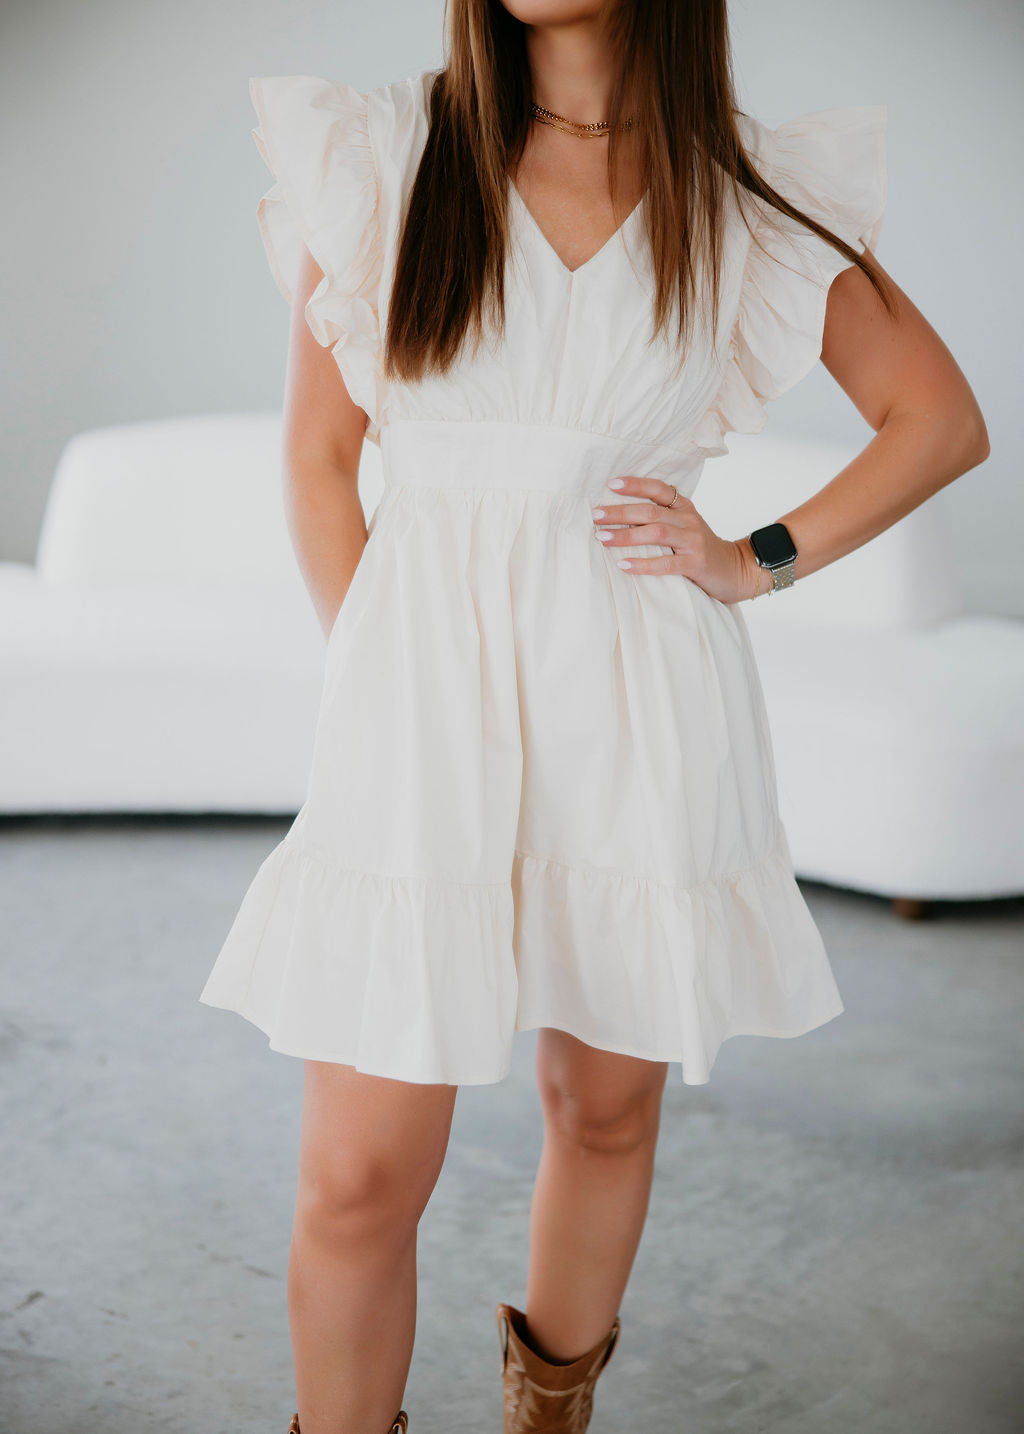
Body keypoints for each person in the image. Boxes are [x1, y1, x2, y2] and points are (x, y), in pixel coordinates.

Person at [198, 1, 990, 1430]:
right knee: (358, 1174)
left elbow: (939, 418)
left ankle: (546, 1413)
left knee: (607, 1108)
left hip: (641, 701)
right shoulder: (386, 155)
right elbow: (320, 458)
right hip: (418, 709)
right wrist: (380, 678)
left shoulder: (739, 193)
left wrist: (750, 560)